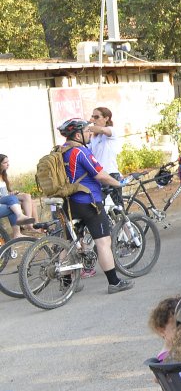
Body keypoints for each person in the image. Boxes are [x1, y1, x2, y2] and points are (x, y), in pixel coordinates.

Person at [53, 118, 131, 292]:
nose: (90, 133)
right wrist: (119, 183)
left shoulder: (61, 151)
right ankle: (114, 282)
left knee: (69, 242)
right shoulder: (80, 152)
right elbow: (100, 175)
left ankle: (66, 284)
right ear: (77, 135)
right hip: (89, 203)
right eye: (87, 131)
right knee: (103, 242)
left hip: (69, 204)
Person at [86, 106, 123, 206]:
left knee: (118, 207)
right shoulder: (93, 137)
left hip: (110, 174)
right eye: (92, 117)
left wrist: (86, 128)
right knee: (100, 206)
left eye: (96, 117)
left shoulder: (111, 131)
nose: (93, 119)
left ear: (106, 118)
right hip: (100, 175)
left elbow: (103, 130)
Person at [0, 154, 36, 237]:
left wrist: (11, 193)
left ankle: (28, 223)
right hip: (2, 200)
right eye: (5, 163)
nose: (8, 164)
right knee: (13, 205)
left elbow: (5, 192)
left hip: (5, 199)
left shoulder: (3, 175)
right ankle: (18, 230)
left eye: (8, 162)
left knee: (27, 196)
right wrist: (9, 196)